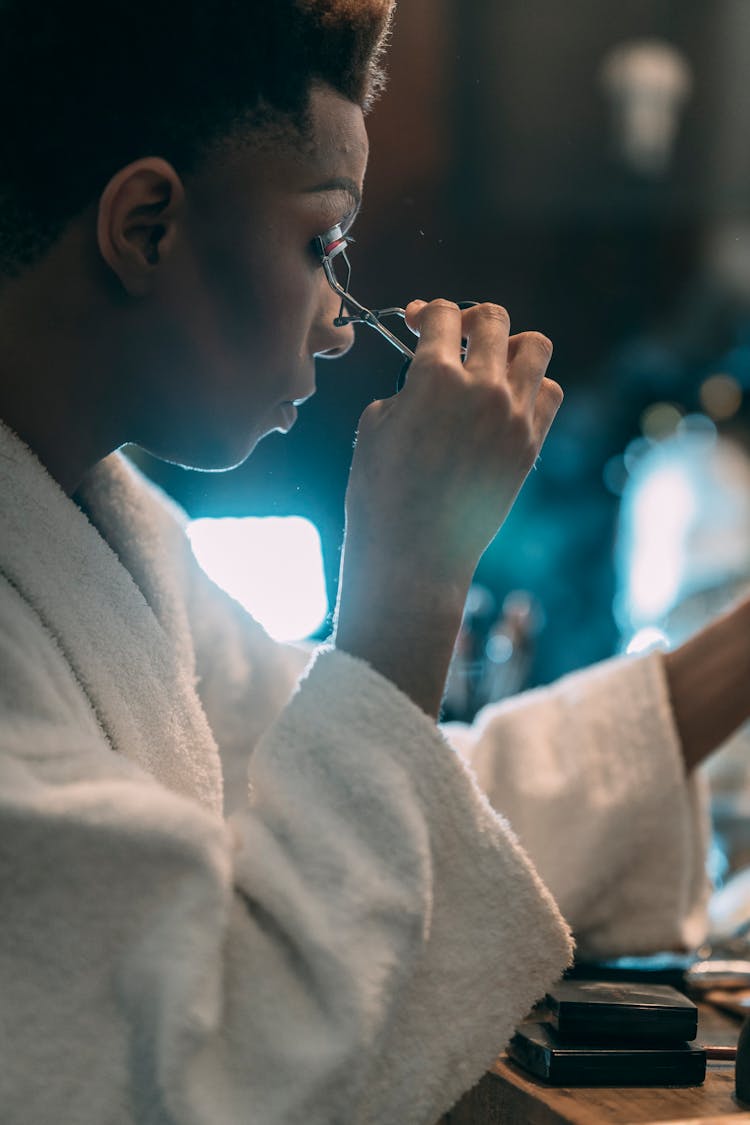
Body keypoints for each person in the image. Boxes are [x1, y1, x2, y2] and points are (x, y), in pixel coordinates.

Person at [0, 2, 749, 1122]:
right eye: (322, 247)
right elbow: (226, 1067)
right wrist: (412, 573)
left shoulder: (107, 533)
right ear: (147, 225)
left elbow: (413, 818)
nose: (342, 324)